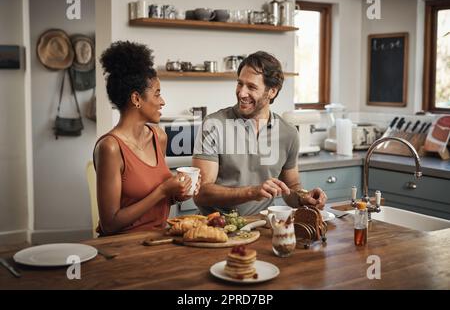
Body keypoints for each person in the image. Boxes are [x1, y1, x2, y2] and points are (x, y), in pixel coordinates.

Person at [192, 51, 326, 216]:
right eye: (240, 84)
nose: (241, 93)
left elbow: (290, 188)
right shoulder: (214, 125)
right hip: (215, 226)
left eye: (251, 87)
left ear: (272, 92)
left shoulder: (288, 133)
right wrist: (251, 192)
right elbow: (200, 193)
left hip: (262, 226)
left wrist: (304, 198)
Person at [94, 41, 200, 235]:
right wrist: (162, 190)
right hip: (123, 246)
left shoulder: (159, 137)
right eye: (157, 94)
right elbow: (110, 223)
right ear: (136, 99)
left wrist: (179, 193)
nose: (162, 102)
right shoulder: (110, 147)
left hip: (161, 238)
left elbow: (163, 199)